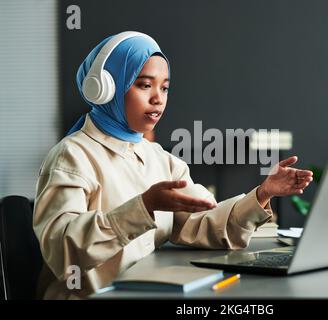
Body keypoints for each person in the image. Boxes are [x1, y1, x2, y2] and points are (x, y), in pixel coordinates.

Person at [33, 32, 313, 299]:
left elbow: (202, 223)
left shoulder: (161, 159)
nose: (158, 98)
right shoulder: (71, 155)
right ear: (106, 89)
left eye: (164, 87)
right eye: (144, 85)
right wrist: (144, 206)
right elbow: (62, 250)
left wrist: (262, 193)